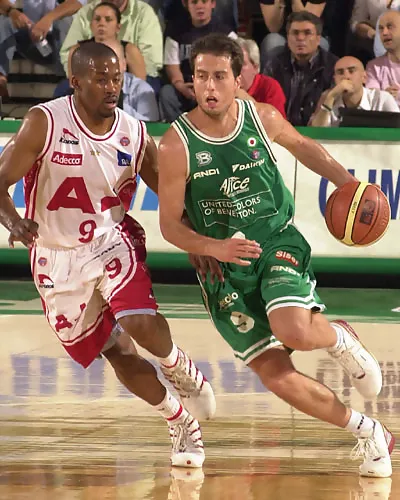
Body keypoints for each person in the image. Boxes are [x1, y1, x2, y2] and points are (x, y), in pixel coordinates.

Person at [157, 33, 394, 478]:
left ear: (239, 79)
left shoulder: (261, 117)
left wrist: (348, 184)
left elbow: (303, 146)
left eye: (219, 76)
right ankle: (369, 431)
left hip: (275, 241)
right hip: (224, 269)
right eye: (201, 76)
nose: (209, 86)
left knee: (294, 330)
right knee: (274, 375)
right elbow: (169, 225)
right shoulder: (175, 144)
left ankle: (336, 337)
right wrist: (213, 247)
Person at [0, 41, 215, 467]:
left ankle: (177, 365)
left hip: (109, 239)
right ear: (76, 82)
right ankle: (178, 419)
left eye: (117, 78)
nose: (112, 86)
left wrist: (197, 240)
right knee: (118, 352)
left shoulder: (133, 132)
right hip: (55, 257)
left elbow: (170, 195)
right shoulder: (44, 122)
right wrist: (14, 222)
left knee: (137, 320)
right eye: (101, 79)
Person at [264, 11, 337, 126]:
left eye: (307, 33)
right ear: (288, 38)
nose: (300, 38)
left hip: (318, 131)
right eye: (295, 33)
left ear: (318, 39)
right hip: (280, 129)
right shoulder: (274, 64)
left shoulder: (333, 66)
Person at [0, 0, 82, 98]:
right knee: (5, 21)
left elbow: (78, 3)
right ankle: (1, 77)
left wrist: (48, 19)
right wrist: (12, 11)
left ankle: (68, 79)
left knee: (63, 22)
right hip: (32, 38)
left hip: (62, 44)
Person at [310, 56, 399, 127]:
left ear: (364, 78)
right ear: (335, 79)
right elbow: (316, 133)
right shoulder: (329, 99)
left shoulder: (382, 99)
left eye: (351, 71)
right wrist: (330, 97)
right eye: (340, 72)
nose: (346, 77)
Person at [235, 37, 286, 117]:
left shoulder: (270, 87)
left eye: (242, 64)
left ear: (256, 67)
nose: (236, 69)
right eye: (233, 64)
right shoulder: (222, 86)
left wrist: (250, 104)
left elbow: (279, 122)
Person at [366, 10, 400, 106]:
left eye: (390, 27)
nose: (384, 33)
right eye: (381, 29)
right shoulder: (373, 67)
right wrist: (384, 97)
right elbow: (372, 102)